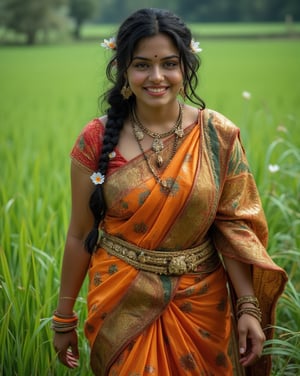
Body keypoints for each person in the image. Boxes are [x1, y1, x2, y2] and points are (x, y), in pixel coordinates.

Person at [52, 8, 287, 376]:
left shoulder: (217, 136)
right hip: (121, 301)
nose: (157, 77)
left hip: (203, 304)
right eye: (142, 65)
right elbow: (80, 233)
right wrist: (63, 317)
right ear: (123, 70)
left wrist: (248, 307)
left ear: (185, 67)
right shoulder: (96, 140)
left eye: (169, 64)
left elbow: (235, 229)